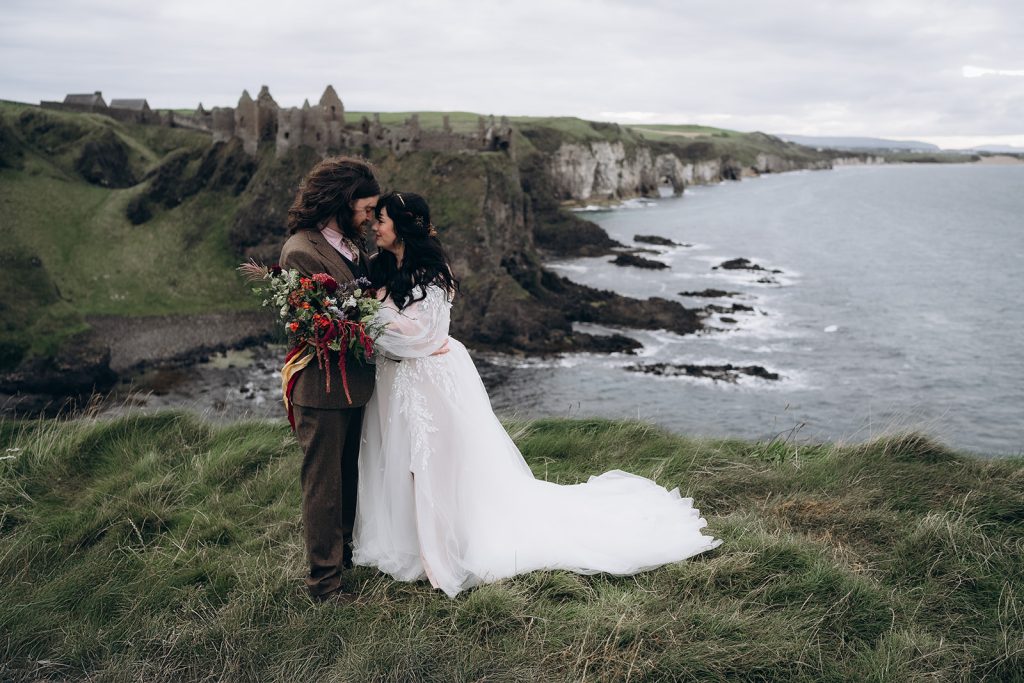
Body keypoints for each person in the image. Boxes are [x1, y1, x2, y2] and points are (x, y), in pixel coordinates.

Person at [353, 191, 721, 597]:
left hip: (430, 382)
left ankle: (445, 544)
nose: (374, 225)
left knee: (433, 463)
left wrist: (368, 318)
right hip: (394, 381)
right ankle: (407, 542)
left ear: (403, 226)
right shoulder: (380, 267)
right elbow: (405, 334)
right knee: (398, 458)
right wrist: (373, 320)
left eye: (382, 219)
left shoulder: (433, 273)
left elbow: (425, 335)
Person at [278, 156, 379, 601]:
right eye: (365, 208)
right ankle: (324, 583)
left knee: (350, 476)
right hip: (320, 387)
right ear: (341, 202)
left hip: (356, 383)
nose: (371, 217)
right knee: (323, 486)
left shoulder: (355, 247)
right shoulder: (300, 249)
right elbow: (309, 323)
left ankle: (346, 558)